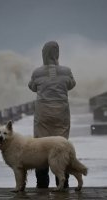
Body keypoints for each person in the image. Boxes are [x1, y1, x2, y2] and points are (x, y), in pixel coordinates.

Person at [28, 41, 76, 188]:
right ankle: (62, 183)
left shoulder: (37, 72)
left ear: (44, 54)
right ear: (57, 54)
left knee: (41, 147)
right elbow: (72, 84)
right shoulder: (66, 71)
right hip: (61, 114)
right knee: (61, 146)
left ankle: (42, 184)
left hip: (43, 115)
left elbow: (32, 87)